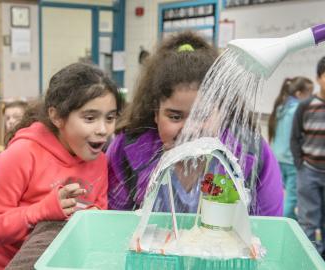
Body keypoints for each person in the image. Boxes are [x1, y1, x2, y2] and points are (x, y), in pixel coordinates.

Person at [107, 31, 283, 216]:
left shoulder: (252, 154)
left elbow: (268, 228)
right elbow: (114, 225)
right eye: (175, 117)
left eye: (202, 115)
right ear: (156, 113)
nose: (189, 129)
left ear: (223, 111)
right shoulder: (125, 151)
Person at [0, 63, 123, 269]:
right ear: (56, 116)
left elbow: (97, 218)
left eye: (110, 118)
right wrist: (42, 211)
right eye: (90, 118)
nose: (103, 129)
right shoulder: (22, 154)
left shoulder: (99, 160)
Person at [291, 56, 325, 256]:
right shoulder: (306, 106)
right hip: (309, 172)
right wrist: (300, 163)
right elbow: (295, 137)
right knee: (309, 220)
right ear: (318, 78)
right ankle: (309, 257)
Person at [268, 76, 313, 219]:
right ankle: (284, 223)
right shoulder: (299, 110)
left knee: (281, 194)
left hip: (278, 157)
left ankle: (285, 219)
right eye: (309, 94)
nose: (311, 97)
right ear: (299, 94)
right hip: (291, 160)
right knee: (292, 198)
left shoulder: (281, 107)